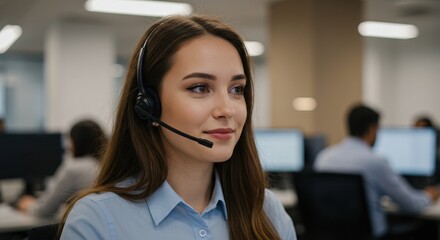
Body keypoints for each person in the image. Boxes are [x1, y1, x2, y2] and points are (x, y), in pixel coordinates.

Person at [59, 15, 296, 240]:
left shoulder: (267, 211)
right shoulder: (98, 220)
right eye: (200, 88)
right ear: (148, 105)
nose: (227, 109)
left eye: (236, 89)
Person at [314, 104, 440, 239]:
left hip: (331, 234)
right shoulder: (374, 161)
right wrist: (428, 195)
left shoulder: (323, 157)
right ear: (372, 129)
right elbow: (411, 204)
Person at [16, 119, 107, 218]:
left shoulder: (73, 168)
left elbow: (43, 211)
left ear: (76, 142)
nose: (67, 146)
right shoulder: (104, 165)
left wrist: (28, 204)